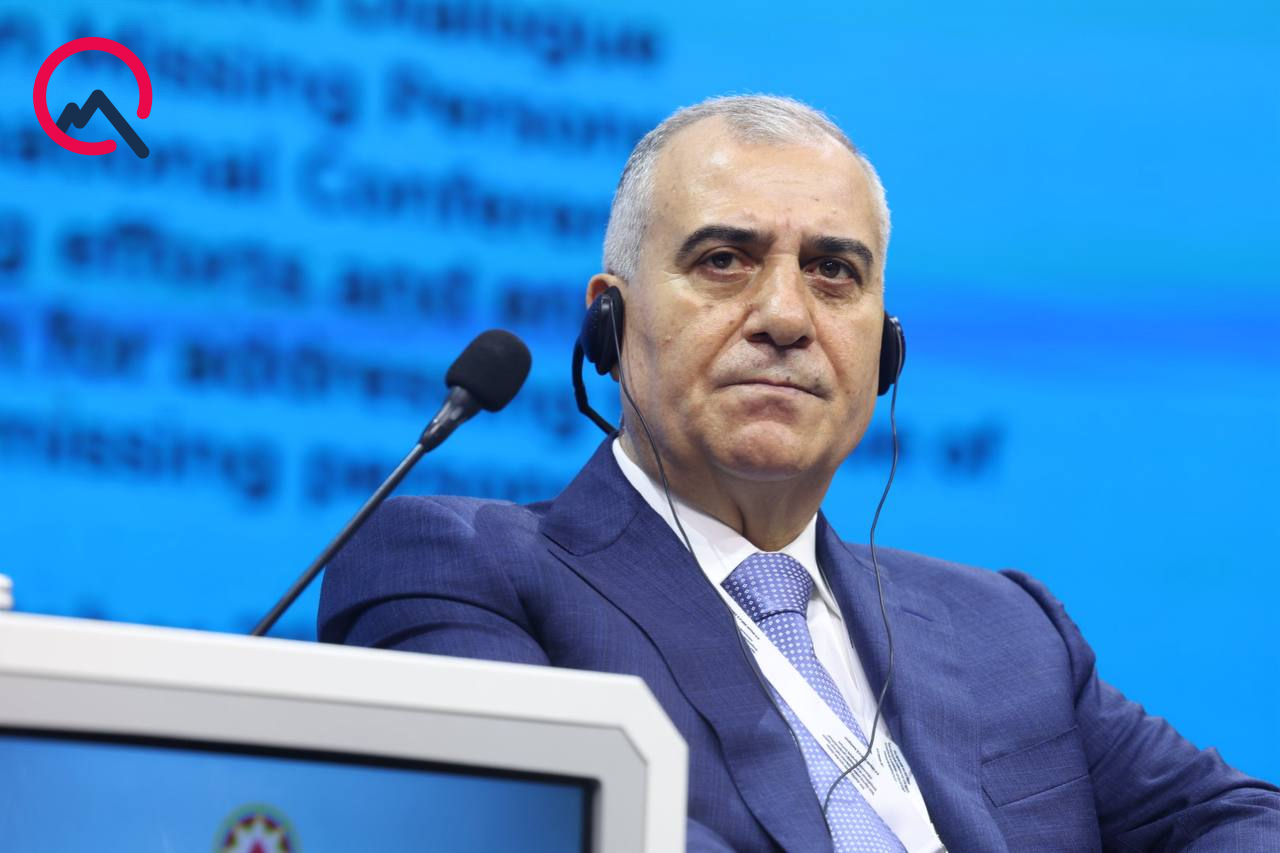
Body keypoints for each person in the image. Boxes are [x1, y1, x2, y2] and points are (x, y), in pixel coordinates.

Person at [319, 95, 1280, 851]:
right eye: (724, 259)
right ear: (609, 322)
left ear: (884, 351)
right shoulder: (455, 569)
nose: (785, 316)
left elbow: (1240, 819)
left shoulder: (1009, 628)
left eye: (834, 273)